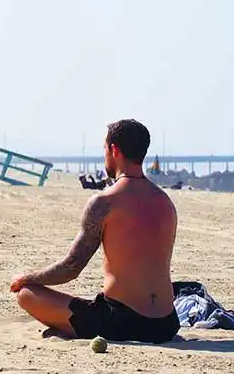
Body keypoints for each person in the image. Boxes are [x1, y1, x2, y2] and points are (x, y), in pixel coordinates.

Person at [11, 119, 180, 343]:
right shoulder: (165, 201)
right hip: (166, 323)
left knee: (27, 295)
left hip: (122, 322)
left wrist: (27, 278)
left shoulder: (105, 202)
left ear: (114, 149)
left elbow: (70, 269)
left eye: (104, 149)